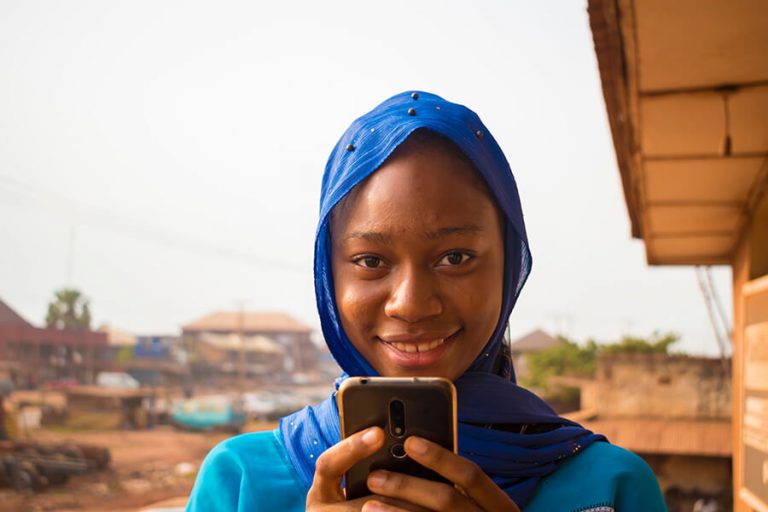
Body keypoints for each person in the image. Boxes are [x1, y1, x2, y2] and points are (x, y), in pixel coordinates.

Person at [186, 91, 667, 511]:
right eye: (371, 261)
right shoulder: (239, 484)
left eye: (455, 257)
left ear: (509, 262)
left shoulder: (611, 490)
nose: (412, 304)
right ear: (327, 274)